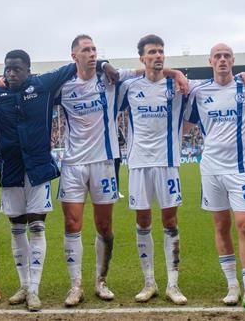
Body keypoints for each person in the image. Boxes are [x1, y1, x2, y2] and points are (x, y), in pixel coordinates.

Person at [0, 48, 115, 311]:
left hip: (38, 168)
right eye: (7, 68)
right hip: (10, 170)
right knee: (16, 228)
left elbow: (76, 65)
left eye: (16, 68)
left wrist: (103, 63)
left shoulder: (43, 84)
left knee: (37, 227)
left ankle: (34, 290)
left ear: (28, 69)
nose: (11, 73)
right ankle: (24, 285)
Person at [57, 34, 187, 307]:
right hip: (76, 163)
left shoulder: (116, 81)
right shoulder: (63, 86)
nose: (92, 53)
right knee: (73, 224)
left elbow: (147, 70)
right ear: (75, 56)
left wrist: (175, 72)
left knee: (108, 225)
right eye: (87, 50)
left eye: (95, 49)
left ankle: (105, 282)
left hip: (108, 161)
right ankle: (76, 285)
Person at [184, 43, 245, 314]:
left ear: (233, 60)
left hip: (240, 168)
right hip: (210, 168)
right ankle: (232, 285)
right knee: (221, 227)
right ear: (210, 61)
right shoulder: (198, 92)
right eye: (217, 56)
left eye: (226, 56)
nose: (222, 60)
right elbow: (185, 123)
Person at [118, 34, 189, 305]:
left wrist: (177, 73)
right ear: (142, 57)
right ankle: (149, 282)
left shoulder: (179, 86)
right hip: (138, 163)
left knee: (170, 221)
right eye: (152, 52)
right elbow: (106, 71)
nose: (158, 55)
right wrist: (175, 69)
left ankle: (173, 284)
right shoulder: (129, 87)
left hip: (168, 163)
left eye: (161, 51)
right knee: (143, 222)